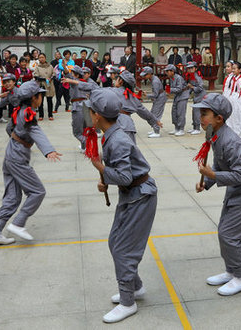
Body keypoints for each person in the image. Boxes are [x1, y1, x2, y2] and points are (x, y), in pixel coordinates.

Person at [86, 88, 158, 324]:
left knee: (124, 249)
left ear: (96, 115)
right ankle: (135, 287)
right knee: (115, 242)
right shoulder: (112, 131)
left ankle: (128, 302)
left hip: (140, 196)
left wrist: (102, 169)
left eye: (90, 110)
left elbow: (125, 177)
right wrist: (106, 176)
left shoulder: (116, 138)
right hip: (132, 194)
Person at [194, 93, 241, 296]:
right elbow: (220, 163)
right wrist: (207, 182)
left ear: (219, 118)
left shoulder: (229, 141)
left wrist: (213, 174)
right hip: (238, 186)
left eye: (205, 113)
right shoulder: (215, 135)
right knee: (225, 231)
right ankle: (231, 271)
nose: (201, 118)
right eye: (200, 113)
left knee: (229, 234)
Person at [0, 81, 61, 245]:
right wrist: (48, 150)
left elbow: (10, 129)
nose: (41, 97)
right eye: (40, 95)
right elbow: (36, 130)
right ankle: (18, 223)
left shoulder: (19, 109)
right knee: (37, 191)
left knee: (12, 197)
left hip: (11, 153)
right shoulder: (28, 113)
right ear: (34, 98)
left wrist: (16, 139)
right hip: (18, 156)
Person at [62, 67, 99, 150]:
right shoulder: (86, 82)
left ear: (77, 75)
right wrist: (64, 67)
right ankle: (84, 148)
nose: (71, 75)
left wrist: (66, 71)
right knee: (85, 129)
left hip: (78, 107)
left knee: (77, 132)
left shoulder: (75, 82)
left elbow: (68, 76)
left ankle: (87, 144)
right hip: (87, 107)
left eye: (73, 73)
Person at [142, 67, 165, 138]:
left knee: (156, 114)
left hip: (160, 98)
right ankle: (155, 129)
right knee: (152, 113)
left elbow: (155, 94)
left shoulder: (155, 81)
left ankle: (157, 132)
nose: (144, 76)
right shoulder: (153, 79)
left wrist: (147, 95)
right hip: (159, 97)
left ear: (149, 74)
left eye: (145, 75)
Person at [166, 64, 188, 136]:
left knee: (180, 113)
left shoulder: (179, 78)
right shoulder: (171, 78)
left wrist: (169, 90)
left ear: (172, 71)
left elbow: (179, 88)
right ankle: (176, 128)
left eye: (168, 71)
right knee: (174, 112)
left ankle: (181, 129)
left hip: (182, 96)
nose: (167, 73)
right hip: (177, 96)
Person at [32, 54, 56, 120]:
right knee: (40, 101)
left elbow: (54, 74)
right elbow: (36, 77)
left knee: (49, 100)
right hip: (41, 85)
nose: (41, 59)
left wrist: (51, 78)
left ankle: (50, 115)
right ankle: (41, 115)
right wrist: (44, 79)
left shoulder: (50, 66)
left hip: (49, 85)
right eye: (40, 57)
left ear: (45, 58)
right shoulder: (37, 67)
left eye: (43, 57)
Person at [186, 61, 206, 135]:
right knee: (194, 112)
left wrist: (192, 87)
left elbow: (200, 87)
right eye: (188, 68)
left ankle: (197, 128)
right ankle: (194, 127)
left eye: (191, 68)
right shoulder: (191, 76)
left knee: (197, 112)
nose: (190, 70)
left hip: (200, 96)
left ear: (195, 68)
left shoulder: (197, 77)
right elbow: (190, 87)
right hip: (196, 96)